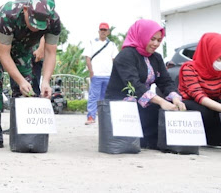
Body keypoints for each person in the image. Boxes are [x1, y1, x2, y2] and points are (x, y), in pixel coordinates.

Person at [0, 0, 61, 148]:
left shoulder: (54, 21)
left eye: (40, 25)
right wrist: (19, 80)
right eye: (33, 22)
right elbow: (4, 54)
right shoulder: (9, 14)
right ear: (25, 9)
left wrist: (45, 80)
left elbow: (51, 52)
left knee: (27, 85)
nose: (36, 28)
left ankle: (21, 128)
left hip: (23, 45)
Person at [105, 19, 186, 150]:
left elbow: (165, 81)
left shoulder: (156, 57)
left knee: (172, 109)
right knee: (154, 109)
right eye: (152, 39)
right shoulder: (126, 56)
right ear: (142, 36)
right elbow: (134, 85)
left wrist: (175, 98)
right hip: (122, 102)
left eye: (159, 40)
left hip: (142, 99)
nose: (155, 44)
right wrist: (160, 101)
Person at [178, 32, 221, 146]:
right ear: (208, 53)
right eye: (219, 58)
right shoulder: (189, 69)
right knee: (206, 111)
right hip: (193, 102)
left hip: (213, 101)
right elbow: (199, 96)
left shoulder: (218, 72)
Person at [12, 0, 44, 95]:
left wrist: (41, 48)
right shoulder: (14, 5)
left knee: (33, 87)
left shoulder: (39, 3)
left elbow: (46, 28)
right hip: (17, 53)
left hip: (34, 52)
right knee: (16, 88)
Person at [82, 22, 119, 125]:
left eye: (105, 30)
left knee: (106, 98)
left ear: (108, 32)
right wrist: (91, 72)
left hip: (108, 75)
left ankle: (105, 119)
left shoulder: (112, 45)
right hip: (96, 75)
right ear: (99, 31)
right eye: (101, 30)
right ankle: (90, 117)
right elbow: (88, 58)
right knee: (93, 96)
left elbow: (115, 60)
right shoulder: (92, 42)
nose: (103, 32)